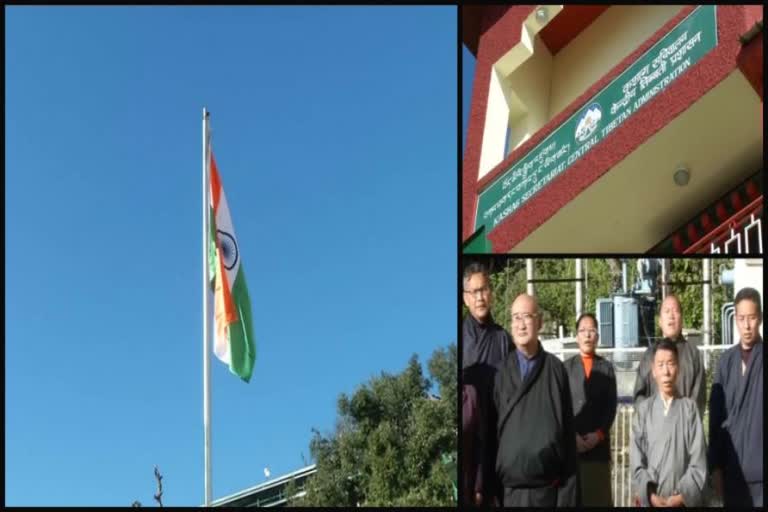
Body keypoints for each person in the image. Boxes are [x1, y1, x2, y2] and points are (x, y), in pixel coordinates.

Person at [493, 293, 579, 507]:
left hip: (548, 492)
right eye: (516, 318)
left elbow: (568, 438)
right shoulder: (501, 373)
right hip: (509, 493)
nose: (521, 325)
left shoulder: (556, 370)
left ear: (539, 322)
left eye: (527, 317)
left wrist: (567, 498)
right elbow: (491, 435)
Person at [631, 338, 707, 507]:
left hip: (680, 501)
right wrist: (650, 496)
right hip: (652, 501)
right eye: (660, 365)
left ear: (678, 368)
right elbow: (637, 462)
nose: (666, 371)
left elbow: (698, 462)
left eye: (671, 363)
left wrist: (680, 497)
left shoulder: (690, 409)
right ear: (653, 371)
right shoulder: (643, 411)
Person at [461, 262, 511, 506]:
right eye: (474, 292)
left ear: (491, 293)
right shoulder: (460, 335)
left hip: (497, 439)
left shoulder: (503, 338)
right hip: (469, 442)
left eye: (484, 290)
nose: (480, 297)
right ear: (465, 298)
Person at [708, 287, 763, 507]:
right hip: (732, 471)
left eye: (751, 318)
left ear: (759, 317)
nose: (747, 325)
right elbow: (715, 418)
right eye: (741, 318)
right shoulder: (725, 362)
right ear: (735, 318)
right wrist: (716, 467)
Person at [564, 313, 617, 506]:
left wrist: (599, 435)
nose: (587, 335)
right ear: (576, 336)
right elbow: (562, 409)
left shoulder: (606, 368)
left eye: (592, 330)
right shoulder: (565, 368)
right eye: (582, 331)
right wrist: (573, 436)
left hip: (598, 451)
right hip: (572, 450)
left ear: (597, 336)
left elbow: (611, 406)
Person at [633, 295, 705, 415]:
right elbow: (639, 395)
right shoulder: (649, 355)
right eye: (667, 311)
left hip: (684, 428)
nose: (671, 316)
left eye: (675, 311)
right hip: (655, 428)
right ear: (660, 321)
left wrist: (685, 422)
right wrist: (650, 420)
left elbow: (699, 399)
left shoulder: (694, 355)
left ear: (681, 319)